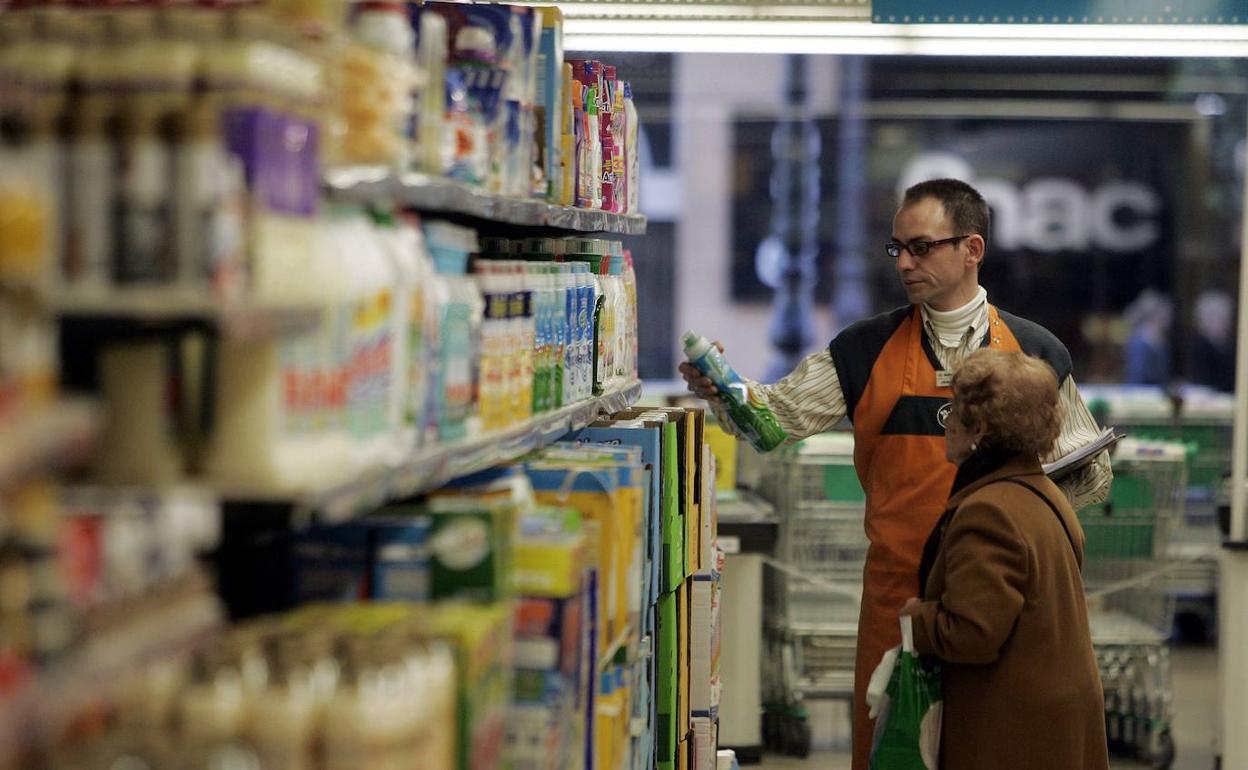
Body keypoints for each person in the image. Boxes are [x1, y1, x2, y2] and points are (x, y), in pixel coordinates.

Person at [679, 178, 1113, 770]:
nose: (905, 263)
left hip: (1008, 607)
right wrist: (722, 392)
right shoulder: (862, 350)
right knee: (894, 755)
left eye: (922, 247)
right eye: (897, 249)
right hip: (898, 602)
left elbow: (1092, 474)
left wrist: (1011, 527)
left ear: (972, 249)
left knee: (993, 747)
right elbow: (773, 423)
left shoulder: (1037, 353)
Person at [902, 348, 1108, 770]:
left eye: (955, 410)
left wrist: (915, 620)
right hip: (1055, 720)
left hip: (1012, 730)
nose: (948, 422)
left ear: (980, 427)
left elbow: (972, 634)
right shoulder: (1047, 495)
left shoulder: (989, 511)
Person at [1122, 288, 1173, 386]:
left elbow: (1163, 375)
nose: (1170, 317)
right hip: (1141, 393)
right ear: (1156, 314)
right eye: (1167, 312)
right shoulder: (1139, 341)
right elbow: (1137, 375)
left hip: (1156, 392)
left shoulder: (1162, 339)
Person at [1188, 288, 1235, 392]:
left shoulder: (1229, 347)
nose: (1219, 323)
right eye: (1212, 317)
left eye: (1223, 318)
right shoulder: (1199, 348)